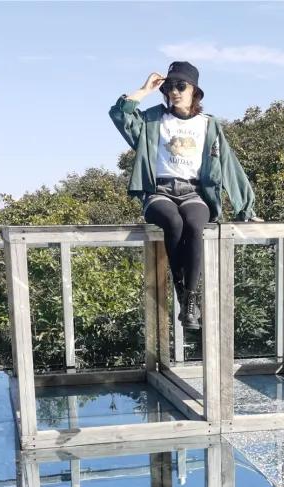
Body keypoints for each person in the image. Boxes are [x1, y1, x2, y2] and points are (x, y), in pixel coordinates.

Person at [109, 61, 259, 330]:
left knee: (194, 223)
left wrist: (245, 208)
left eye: (181, 86)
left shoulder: (208, 125)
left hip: (193, 192)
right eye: (169, 87)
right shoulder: (153, 119)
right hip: (160, 191)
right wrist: (144, 90)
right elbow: (120, 115)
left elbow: (228, 164)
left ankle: (190, 299)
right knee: (173, 222)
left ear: (195, 92)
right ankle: (184, 297)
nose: (174, 92)